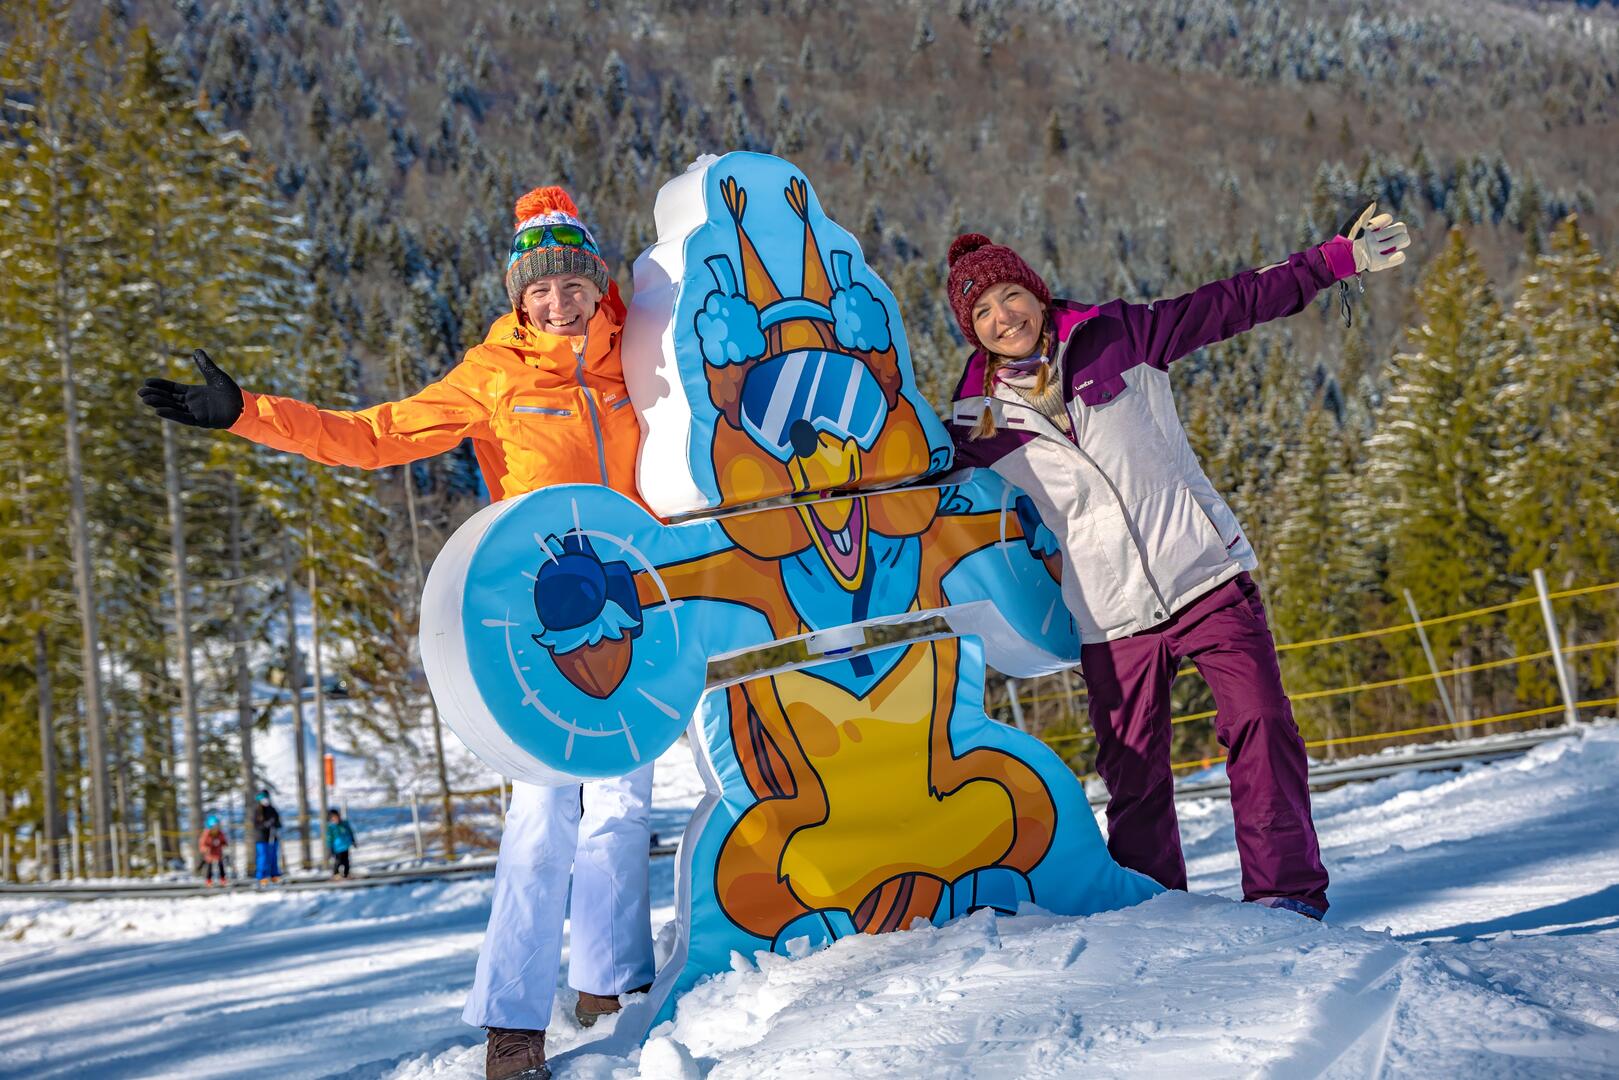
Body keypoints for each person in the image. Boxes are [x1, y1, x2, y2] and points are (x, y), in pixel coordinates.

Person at [138, 186, 655, 1080]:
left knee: (623, 807)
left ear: (595, 283)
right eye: (539, 289)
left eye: (571, 282)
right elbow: (373, 436)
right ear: (517, 297)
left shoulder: (642, 355)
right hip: (542, 610)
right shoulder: (494, 375)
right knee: (541, 811)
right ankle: (513, 1020)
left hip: (642, 601)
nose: (557, 301)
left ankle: (613, 986)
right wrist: (247, 413)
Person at [942, 205, 1410, 921]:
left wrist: (1330, 262)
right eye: (982, 312)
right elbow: (925, 476)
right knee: (1132, 779)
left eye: (1011, 296)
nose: (1003, 316)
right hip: (1107, 614)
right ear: (970, 331)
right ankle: (1155, 917)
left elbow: (1228, 302)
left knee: (1261, 726)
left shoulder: (1115, 336)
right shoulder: (976, 415)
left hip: (1202, 575)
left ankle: (1284, 897)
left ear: (1037, 293)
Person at [252, 790, 283, 885]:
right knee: (263, 857)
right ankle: (262, 876)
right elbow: (256, 825)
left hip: (273, 837)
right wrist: (266, 825)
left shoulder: (272, 809)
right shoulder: (257, 811)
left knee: (273, 856)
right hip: (262, 838)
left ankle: (274, 875)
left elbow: (278, 822)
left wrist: (274, 824)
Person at [198, 814, 230, 886]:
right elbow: (202, 845)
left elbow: (224, 841)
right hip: (209, 853)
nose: (216, 828)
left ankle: (223, 879)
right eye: (214, 827)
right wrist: (206, 849)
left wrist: (225, 846)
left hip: (218, 852)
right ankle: (209, 880)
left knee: (220, 864)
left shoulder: (220, 833)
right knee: (210, 865)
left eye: (217, 826)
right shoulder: (206, 834)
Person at [325, 808, 357, 879]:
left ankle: (346, 873)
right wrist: (330, 848)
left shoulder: (344, 824)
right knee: (338, 861)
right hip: (337, 848)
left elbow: (350, 832)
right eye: (333, 818)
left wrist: (353, 841)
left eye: (336, 817)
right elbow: (329, 839)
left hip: (345, 846)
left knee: (346, 861)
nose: (336, 819)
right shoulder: (331, 827)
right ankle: (336, 874)